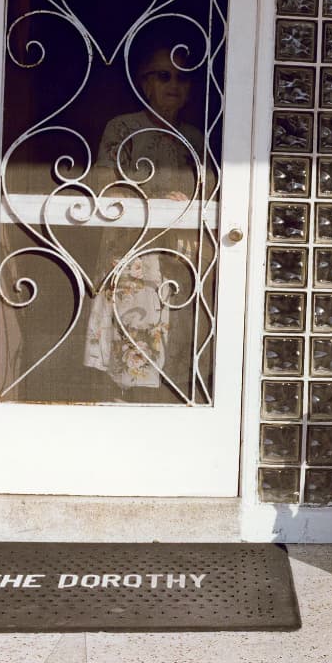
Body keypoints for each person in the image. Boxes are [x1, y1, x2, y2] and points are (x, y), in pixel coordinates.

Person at [83, 46, 205, 399]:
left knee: (174, 363)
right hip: (134, 260)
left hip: (181, 264)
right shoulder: (124, 127)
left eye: (183, 77)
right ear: (144, 83)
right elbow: (103, 186)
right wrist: (153, 203)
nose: (174, 84)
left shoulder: (195, 137)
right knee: (128, 368)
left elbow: (211, 193)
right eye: (163, 75)